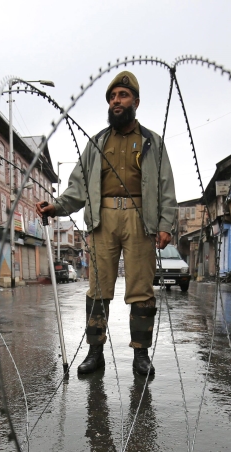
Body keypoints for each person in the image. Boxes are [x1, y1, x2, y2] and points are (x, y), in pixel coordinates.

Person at [36, 71, 176, 377]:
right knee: (98, 289)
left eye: (123, 96)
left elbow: (166, 187)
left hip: (141, 219)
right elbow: (78, 186)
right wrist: (56, 206)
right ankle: (95, 353)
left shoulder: (152, 142)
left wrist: (166, 223)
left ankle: (141, 354)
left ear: (135, 102)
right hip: (103, 219)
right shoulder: (97, 143)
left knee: (141, 289)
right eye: (112, 97)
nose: (116, 101)